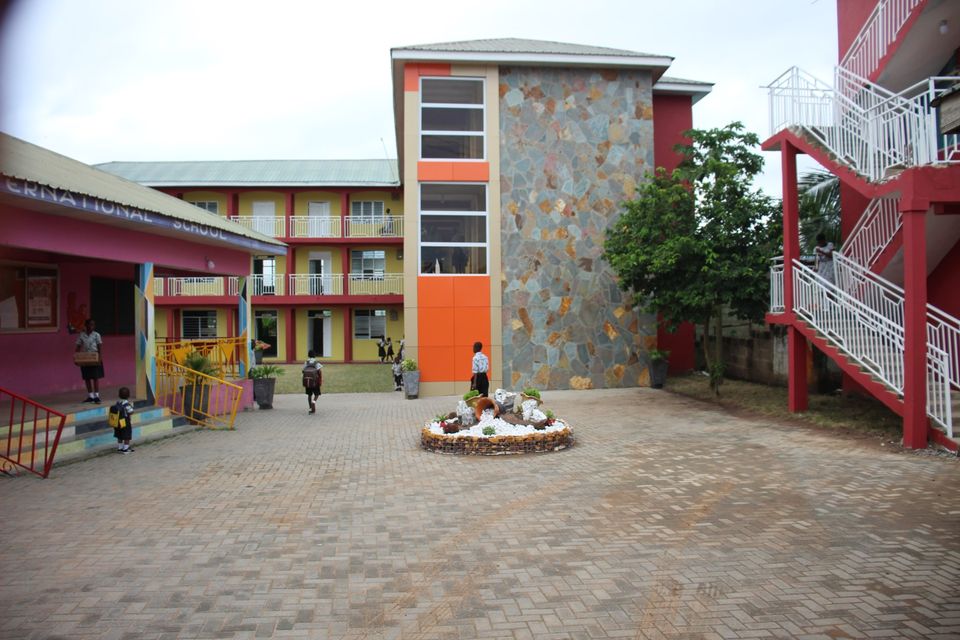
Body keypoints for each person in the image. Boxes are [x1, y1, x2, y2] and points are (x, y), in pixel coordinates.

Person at [75, 318, 103, 403]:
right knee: (87, 377)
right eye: (90, 324)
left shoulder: (96, 335)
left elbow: (100, 347)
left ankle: (96, 396)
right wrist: (77, 358)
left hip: (94, 356)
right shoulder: (81, 335)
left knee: (95, 377)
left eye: (93, 325)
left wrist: (100, 357)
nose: (91, 326)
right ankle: (90, 395)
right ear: (86, 325)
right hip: (86, 357)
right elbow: (78, 346)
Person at [112, 387, 135, 454]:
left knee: (119, 435)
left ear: (119, 395)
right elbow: (131, 412)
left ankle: (120, 448)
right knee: (126, 435)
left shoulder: (118, 403)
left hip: (117, 422)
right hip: (124, 422)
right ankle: (126, 449)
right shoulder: (127, 404)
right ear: (128, 396)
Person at [302, 350, 323, 414]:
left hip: (308, 381)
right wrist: (320, 379)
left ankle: (310, 408)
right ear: (314, 355)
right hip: (315, 381)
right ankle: (314, 402)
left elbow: (303, 371)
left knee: (309, 395)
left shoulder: (306, 362)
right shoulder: (316, 362)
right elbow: (319, 372)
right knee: (317, 394)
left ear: (308, 355)